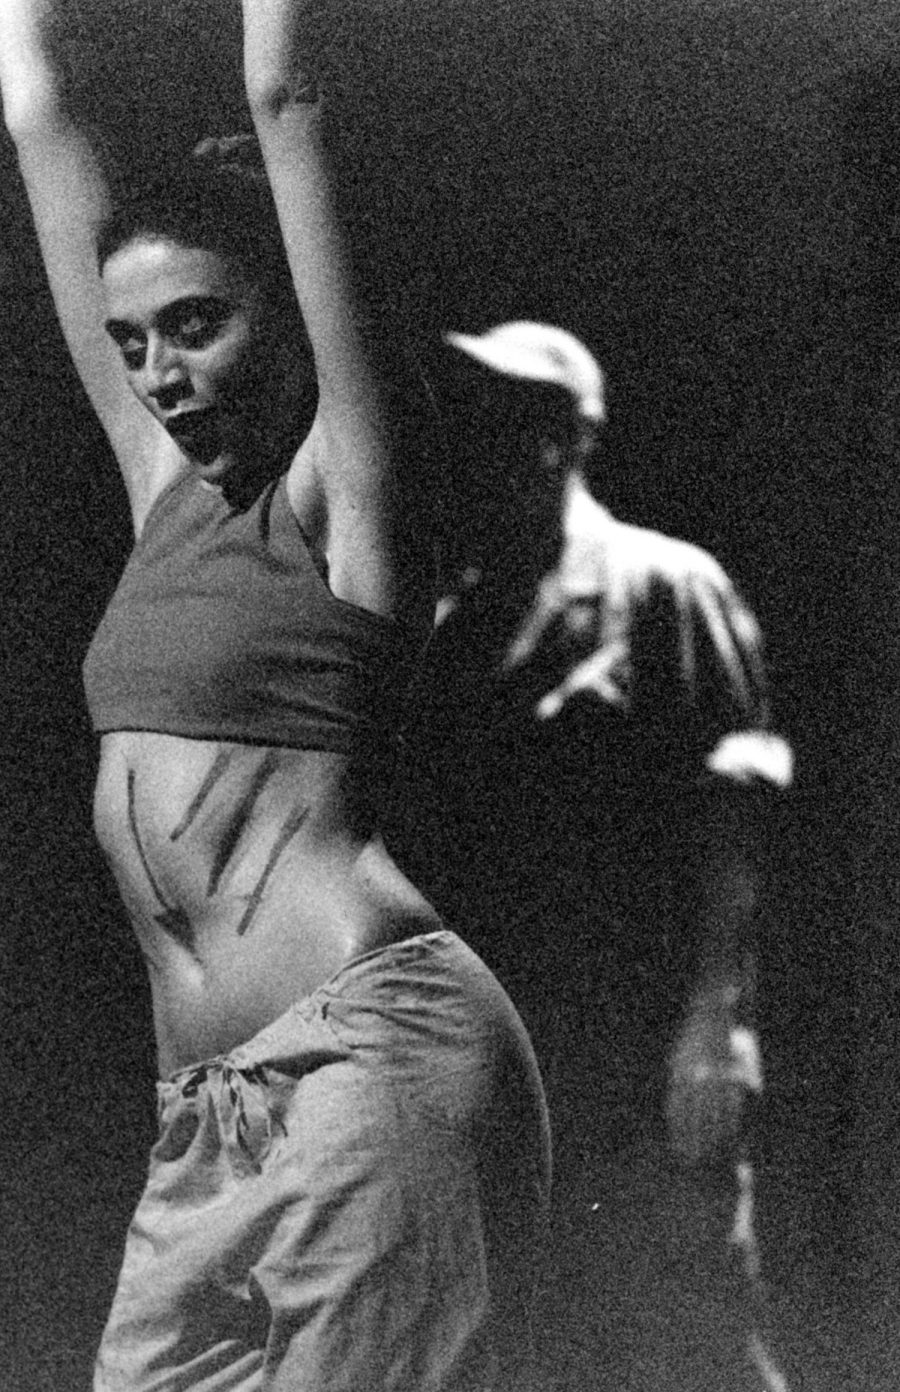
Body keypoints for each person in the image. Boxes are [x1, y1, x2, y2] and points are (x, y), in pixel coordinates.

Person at [0, 7, 550, 1391]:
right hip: (207, 1120)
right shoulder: (163, 489)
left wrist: (285, 119)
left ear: (293, 312)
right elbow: (36, 108)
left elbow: (284, 92)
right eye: (132, 342)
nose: (158, 375)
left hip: (369, 1065)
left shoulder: (347, 496)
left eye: (197, 326)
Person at [388, 322, 794, 1392]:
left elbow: (735, 814)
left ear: (570, 437)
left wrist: (719, 1022)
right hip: (505, 1052)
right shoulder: (457, 614)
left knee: (689, 1328)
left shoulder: (666, 584)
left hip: (641, 1036)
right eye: (475, 414)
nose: (484, 437)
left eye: (516, 415)